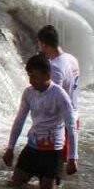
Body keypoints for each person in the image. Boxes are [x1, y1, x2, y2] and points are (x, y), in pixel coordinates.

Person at [2, 54, 78, 189]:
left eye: (34, 77)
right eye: (29, 76)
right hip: (32, 148)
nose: (31, 81)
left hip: (53, 152)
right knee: (14, 185)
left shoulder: (59, 95)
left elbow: (71, 128)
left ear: (47, 75)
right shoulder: (28, 93)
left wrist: (73, 158)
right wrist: (10, 148)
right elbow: (19, 121)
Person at [38, 25, 81, 159]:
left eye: (39, 44)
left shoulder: (55, 67)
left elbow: (53, 99)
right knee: (62, 166)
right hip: (74, 116)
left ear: (44, 44)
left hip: (60, 124)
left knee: (53, 168)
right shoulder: (72, 59)